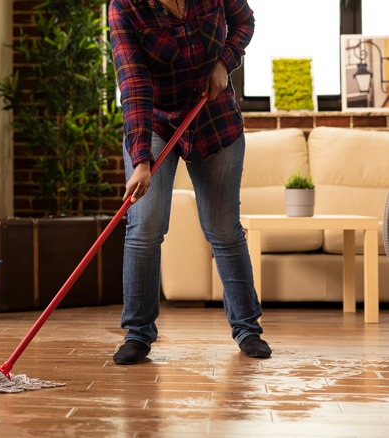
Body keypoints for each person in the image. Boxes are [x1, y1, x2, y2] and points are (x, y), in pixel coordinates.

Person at [108, 0, 271, 364]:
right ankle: (138, 335)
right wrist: (140, 160)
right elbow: (133, 83)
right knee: (145, 226)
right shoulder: (125, 7)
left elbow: (244, 21)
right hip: (156, 125)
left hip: (214, 117)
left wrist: (224, 61)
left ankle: (248, 330)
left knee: (223, 229)